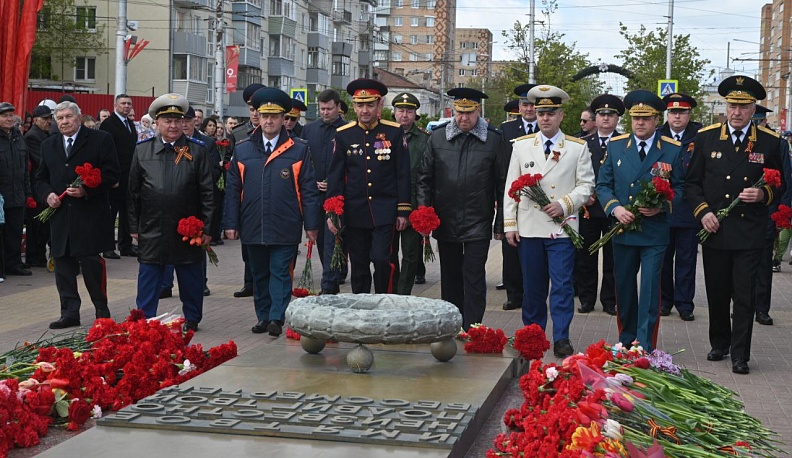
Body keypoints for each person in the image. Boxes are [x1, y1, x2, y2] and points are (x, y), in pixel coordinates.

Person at [686, 75, 786, 374]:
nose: (737, 112)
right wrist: (703, 212)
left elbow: (781, 185)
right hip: (715, 228)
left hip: (749, 231)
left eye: (743, 107)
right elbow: (692, 184)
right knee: (717, 291)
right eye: (732, 106)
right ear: (725, 107)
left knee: (744, 294)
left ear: (754, 108)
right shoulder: (706, 138)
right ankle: (720, 343)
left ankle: (741, 354)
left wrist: (763, 193)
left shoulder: (770, 142)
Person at [503, 85, 595, 358]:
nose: (545, 118)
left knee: (563, 285)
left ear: (561, 115)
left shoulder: (577, 148)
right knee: (532, 286)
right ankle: (533, 334)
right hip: (530, 227)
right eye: (541, 112)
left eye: (551, 113)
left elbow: (586, 186)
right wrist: (510, 224)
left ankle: (562, 337)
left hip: (562, 228)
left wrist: (564, 203)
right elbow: (511, 187)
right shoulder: (521, 146)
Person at [224, 87, 320, 336]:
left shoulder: (299, 149)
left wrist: (311, 226)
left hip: (285, 224)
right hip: (253, 224)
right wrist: (231, 224)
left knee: (280, 272)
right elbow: (233, 190)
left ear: (283, 119)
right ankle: (263, 316)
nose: (269, 121)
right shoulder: (243, 149)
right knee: (259, 273)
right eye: (264, 115)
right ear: (257, 116)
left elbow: (308, 190)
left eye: (274, 116)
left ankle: (277, 316)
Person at [596, 90, 684, 353]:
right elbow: (603, 185)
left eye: (646, 119)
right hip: (623, 229)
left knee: (648, 291)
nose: (640, 124)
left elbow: (680, 189)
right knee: (623, 288)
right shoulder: (615, 146)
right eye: (636, 118)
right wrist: (615, 209)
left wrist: (661, 207)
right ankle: (626, 338)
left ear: (657, 120)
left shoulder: (671, 149)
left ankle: (644, 344)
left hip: (654, 232)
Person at [416, 87, 509, 330]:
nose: (463, 118)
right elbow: (424, 178)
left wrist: (500, 223)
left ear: (478, 111)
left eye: (469, 113)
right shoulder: (437, 137)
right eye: (459, 112)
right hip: (445, 219)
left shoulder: (494, 139)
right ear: (452, 111)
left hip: (479, 219)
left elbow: (502, 184)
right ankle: (452, 325)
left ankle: (473, 328)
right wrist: (425, 213)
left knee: (474, 276)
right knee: (450, 276)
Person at [128, 94, 215, 332]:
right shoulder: (142, 151)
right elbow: (133, 193)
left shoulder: (196, 152)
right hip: (152, 227)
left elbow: (208, 193)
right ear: (157, 123)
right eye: (167, 120)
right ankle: (145, 320)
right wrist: (133, 227)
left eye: (178, 120)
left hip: (187, 229)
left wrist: (207, 228)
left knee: (190, 277)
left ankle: (192, 318)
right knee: (149, 275)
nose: (173, 125)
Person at [36, 101, 121, 328]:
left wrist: (86, 190)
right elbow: (40, 178)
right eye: (60, 118)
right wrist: (48, 195)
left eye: (68, 117)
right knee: (62, 265)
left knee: (92, 264)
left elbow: (112, 173)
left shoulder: (100, 140)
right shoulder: (48, 144)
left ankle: (101, 309)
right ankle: (69, 312)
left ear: (79, 117)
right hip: (61, 216)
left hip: (90, 215)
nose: (64, 122)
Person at [327, 78, 411, 294]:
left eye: (370, 105)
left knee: (383, 260)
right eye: (360, 105)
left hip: (385, 210)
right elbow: (336, 176)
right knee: (359, 264)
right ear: (354, 106)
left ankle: (384, 300)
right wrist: (333, 212)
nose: (365, 110)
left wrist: (403, 210)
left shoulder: (394, 132)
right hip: (355, 212)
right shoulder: (344, 134)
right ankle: (361, 306)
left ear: (379, 105)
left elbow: (402, 173)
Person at [576, 94, 623, 316]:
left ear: (617, 118)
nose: (606, 118)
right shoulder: (583, 144)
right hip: (588, 209)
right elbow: (575, 174)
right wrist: (584, 195)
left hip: (614, 209)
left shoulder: (625, 142)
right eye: (602, 114)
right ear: (596, 118)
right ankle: (586, 298)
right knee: (586, 257)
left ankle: (609, 300)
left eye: (611, 114)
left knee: (613, 258)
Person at [657, 93, 702, 321]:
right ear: (667, 114)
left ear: (688, 114)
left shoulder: (700, 136)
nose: (677, 116)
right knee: (663, 259)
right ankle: (665, 301)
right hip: (662, 208)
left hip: (688, 209)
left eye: (681, 112)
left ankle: (685, 304)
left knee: (686, 260)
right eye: (673, 112)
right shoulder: (658, 135)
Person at [302, 89, 349, 294]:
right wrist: (313, 182)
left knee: (334, 237)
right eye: (322, 109)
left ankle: (329, 284)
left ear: (338, 107)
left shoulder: (348, 130)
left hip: (339, 194)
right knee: (319, 238)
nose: (325, 112)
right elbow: (305, 162)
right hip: (315, 194)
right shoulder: (309, 130)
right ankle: (333, 274)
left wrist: (334, 183)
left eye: (329, 108)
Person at [497, 83, 539, 303]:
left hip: (538, 198)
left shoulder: (545, 129)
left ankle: (534, 294)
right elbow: (501, 165)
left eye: (532, 105)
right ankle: (513, 295)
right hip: (512, 195)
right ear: (519, 107)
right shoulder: (506, 130)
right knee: (510, 248)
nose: (529, 109)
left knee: (535, 250)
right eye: (525, 105)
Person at [389, 92, 430, 295]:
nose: (404, 115)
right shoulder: (383, 135)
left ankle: (403, 293)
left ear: (415, 114)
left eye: (409, 111)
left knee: (411, 253)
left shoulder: (424, 139)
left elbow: (428, 175)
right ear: (394, 112)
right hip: (387, 202)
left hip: (414, 202)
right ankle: (392, 289)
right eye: (400, 110)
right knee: (388, 253)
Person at [230, 84, 265, 299]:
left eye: (258, 109)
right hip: (247, 196)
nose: (255, 114)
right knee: (248, 246)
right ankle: (248, 282)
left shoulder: (280, 130)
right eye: (252, 110)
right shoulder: (238, 132)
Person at [99, 93, 138, 260]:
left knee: (127, 212)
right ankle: (107, 247)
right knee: (110, 213)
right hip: (114, 177)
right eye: (123, 103)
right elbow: (106, 152)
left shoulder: (130, 123)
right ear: (116, 105)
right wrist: (111, 176)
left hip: (129, 175)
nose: (127, 106)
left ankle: (126, 245)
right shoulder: (108, 124)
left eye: (129, 103)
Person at [0, 102, 32, 277]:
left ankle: (14, 264)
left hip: (17, 194)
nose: (9, 119)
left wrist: (28, 193)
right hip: (1, 196)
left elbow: (25, 170)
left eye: (11, 115)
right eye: (5, 116)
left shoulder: (19, 137)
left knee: (15, 231)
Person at [24, 105, 54, 268]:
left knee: (43, 226)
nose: (49, 121)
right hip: (36, 187)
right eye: (45, 119)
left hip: (43, 186)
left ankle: (39, 256)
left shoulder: (46, 134)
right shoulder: (33, 137)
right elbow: (41, 160)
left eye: (50, 118)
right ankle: (34, 257)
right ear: (36, 120)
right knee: (36, 225)